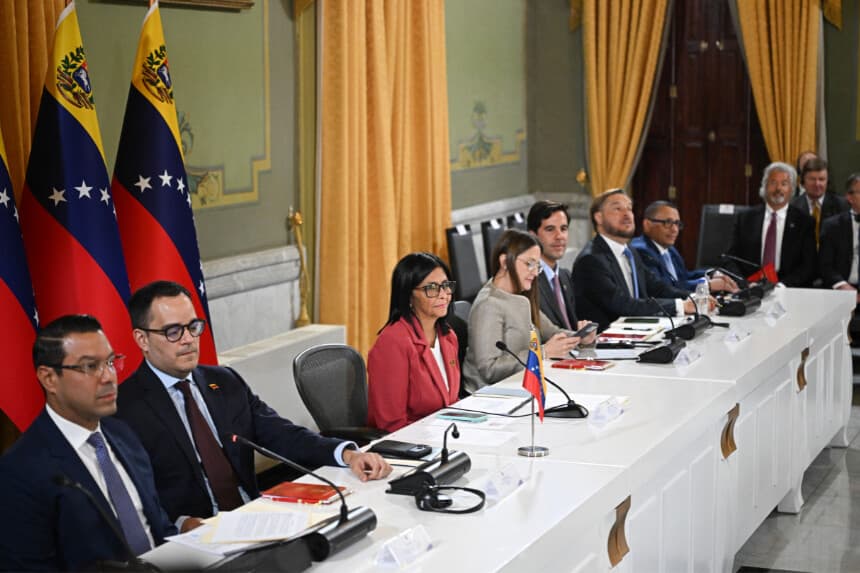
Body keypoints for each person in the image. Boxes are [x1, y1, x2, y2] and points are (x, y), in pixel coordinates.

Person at [115, 281, 391, 530]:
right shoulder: (125, 408)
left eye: (193, 327)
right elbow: (133, 494)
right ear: (142, 339)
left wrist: (346, 454)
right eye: (173, 331)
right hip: (194, 534)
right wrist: (179, 524)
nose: (188, 339)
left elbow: (280, 434)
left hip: (253, 515)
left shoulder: (223, 381)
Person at [0, 315, 176, 571]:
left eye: (110, 362)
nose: (108, 377)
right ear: (49, 378)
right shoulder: (20, 471)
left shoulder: (123, 435)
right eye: (90, 367)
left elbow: (159, 526)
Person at [462, 229, 587, 392]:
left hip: (521, 386)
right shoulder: (489, 304)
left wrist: (581, 337)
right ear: (505, 261)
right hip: (491, 396)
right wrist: (542, 353)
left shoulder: (522, 297)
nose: (535, 273)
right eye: (529, 263)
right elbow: (489, 370)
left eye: (537, 266)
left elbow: (553, 333)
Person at [573, 189, 700, 331]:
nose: (627, 214)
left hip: (637, 334)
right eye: (617, 208)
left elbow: (658, 288)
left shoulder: (630, 251)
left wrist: (696, 297)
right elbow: (623, 305)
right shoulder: (591, 260)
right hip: (606, 343)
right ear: (599, 218)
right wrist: (680, 306)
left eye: (629, 208)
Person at [367, 253, 460, 432]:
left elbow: (450, 403)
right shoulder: (392, 343)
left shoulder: (448, 336)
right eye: (432, 288)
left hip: (445, 436)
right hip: (411, 446)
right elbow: (391, 424)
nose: (443, 295)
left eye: (446, 286)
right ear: (409, 296)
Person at [726, 162, 817, 287]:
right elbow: (730, 258)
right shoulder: (745, 218)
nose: (778, 188)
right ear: (764, 187)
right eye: (773, 183)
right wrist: (744, 283)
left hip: (788, 288)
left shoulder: (804, 222)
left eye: (784, 184)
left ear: (791, 189)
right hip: (750, 288)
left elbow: (809, 266)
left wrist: (782, 285)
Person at [631, 200, 738, 293]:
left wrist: (710, 274)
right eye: (668, 222)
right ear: (647, 224)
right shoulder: (642, 251)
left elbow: (684, 277)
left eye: (677, 223)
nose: (675, 230)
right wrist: (707, 285)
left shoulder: (670, 250)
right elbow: (665, 289)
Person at [527, 200, 595, 331]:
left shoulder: (565, 276)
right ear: (533, 236)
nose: (559, 236)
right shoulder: (528, 280)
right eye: (550, 229)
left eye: (563, 229)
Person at [819, 173, 860, 304]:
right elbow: (825, 265)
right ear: (849, 197)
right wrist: (842, 286)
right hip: (841, 291)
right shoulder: (832, 226)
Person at [790, 156, 849, 245]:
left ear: (827, 181)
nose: (817, 184)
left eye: (821, 179)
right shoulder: (792, 207)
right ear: (803, 181)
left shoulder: (842, 205)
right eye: (812, 179)